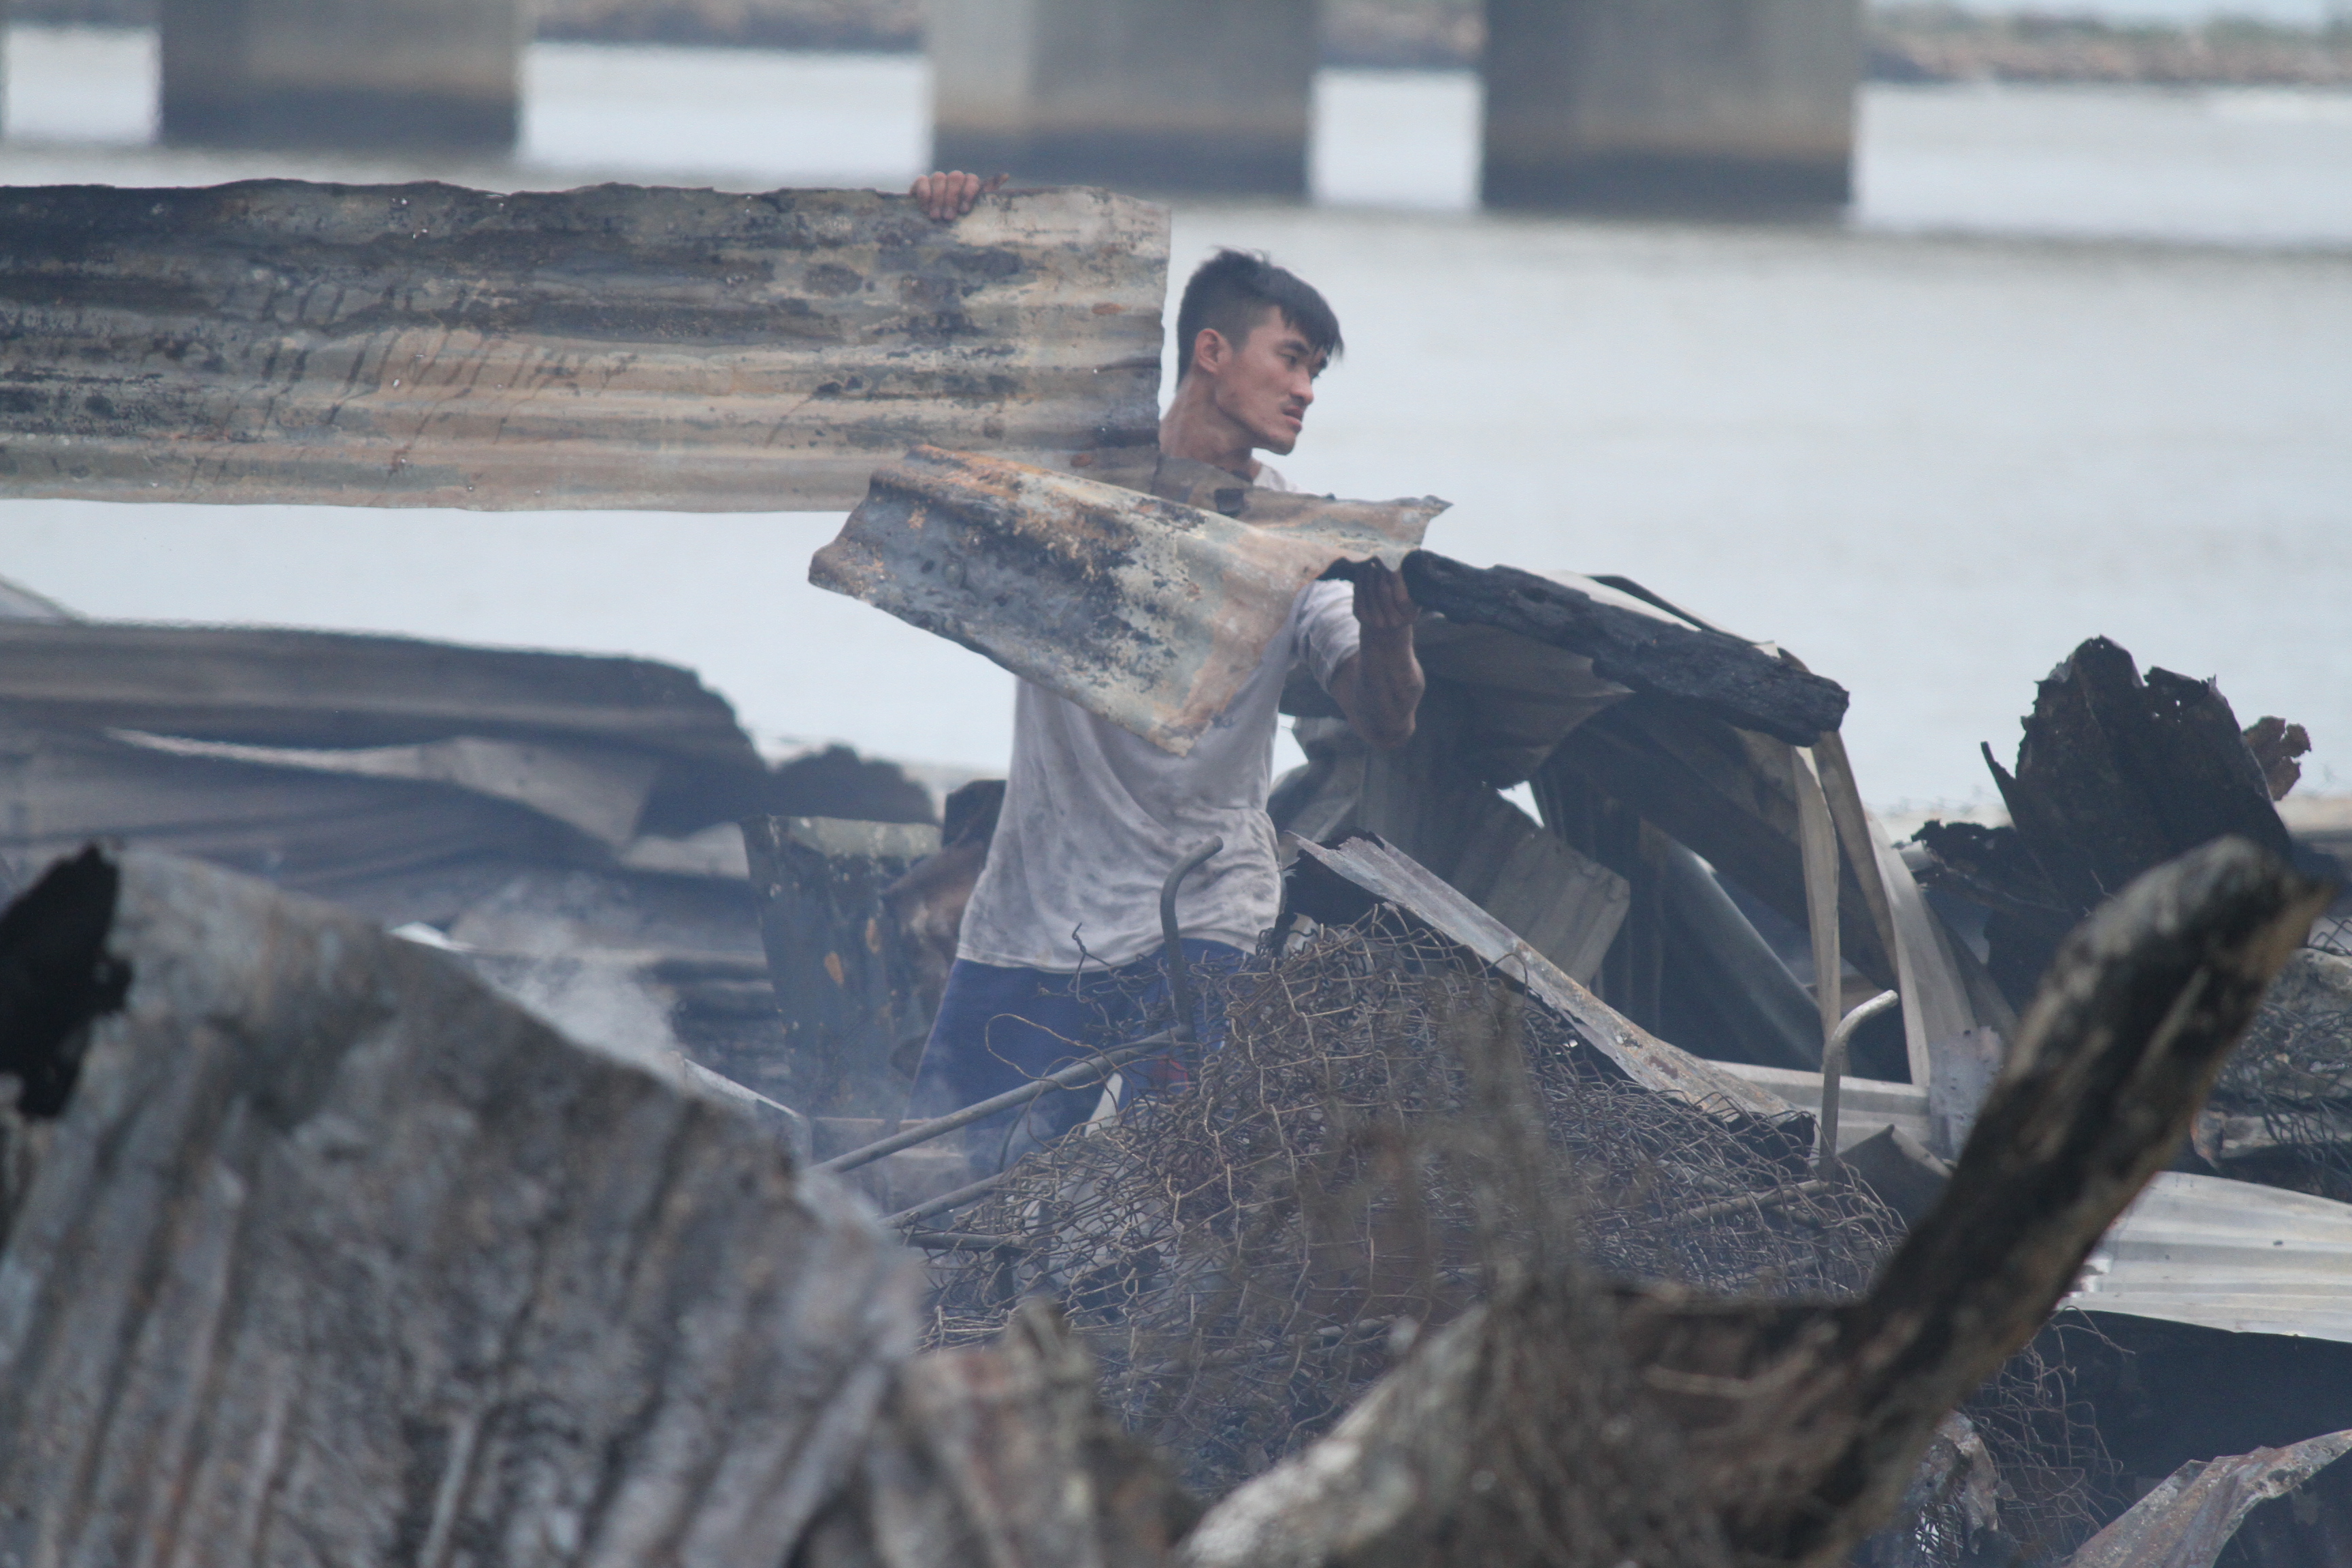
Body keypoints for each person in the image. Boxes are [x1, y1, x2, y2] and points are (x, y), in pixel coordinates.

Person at [904, 172, 1425, 1163]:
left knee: (1166, 1193)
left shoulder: (1294, 538)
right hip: (1035, 907)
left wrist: (1393, 633)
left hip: (1202, 911)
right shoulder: (1073, 480)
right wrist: (959, 228)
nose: (1307, 389)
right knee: (949, 1178)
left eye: (1317, 371)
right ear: (1212, 352)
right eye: (1292, 359)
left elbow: (1387, 720)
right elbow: (957, 383)